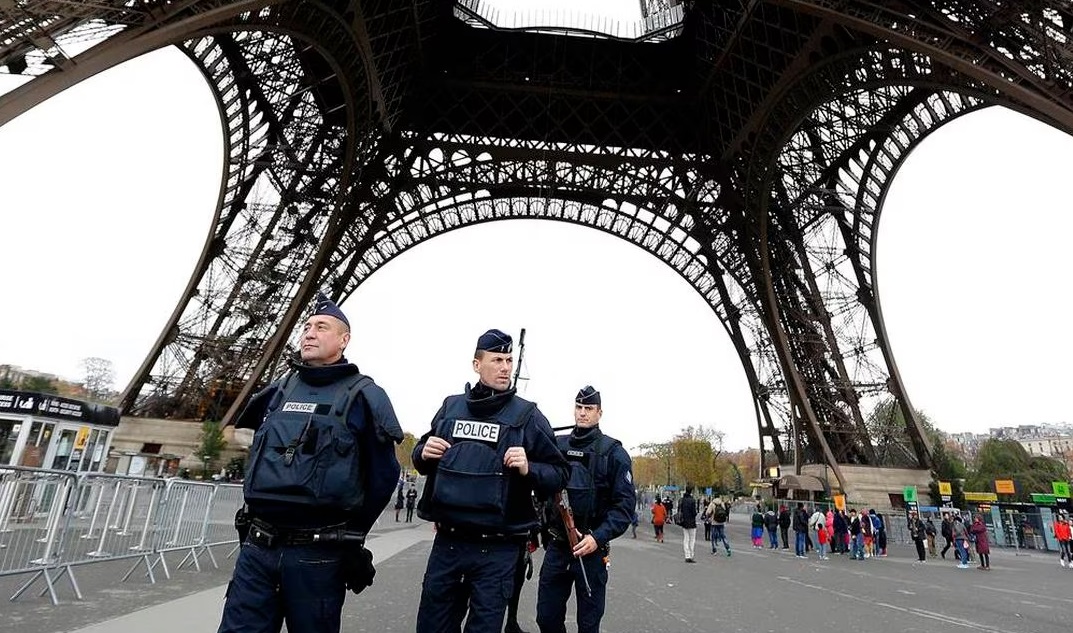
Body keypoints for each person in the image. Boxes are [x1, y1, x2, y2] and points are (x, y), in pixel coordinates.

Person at [218, 292, 403, 633]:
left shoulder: (364, 397)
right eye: (306, 327)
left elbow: (384, 475)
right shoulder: (279, 390)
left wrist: (352, 534)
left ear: (344, 340)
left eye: (321, 327)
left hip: (319, 554)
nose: (310, 333)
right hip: (258, 548)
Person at [412, 329, 569, 633]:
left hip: (498, 550)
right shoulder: (450, 408)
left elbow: (560, 474)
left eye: (509, 360)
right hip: (448, 544)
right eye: (497, 360)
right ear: (476, 364)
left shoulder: (528, 416)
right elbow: (421, 457)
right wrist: (422, 452)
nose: (505, 367)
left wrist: (530, 468)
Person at [536, 385, 635, 633]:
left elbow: (624, 508)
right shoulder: (556, 445)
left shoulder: (614, 453)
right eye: (579, 407)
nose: (582, 413)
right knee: (546, 618)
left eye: (588, 408)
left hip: (592, 549)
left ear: (599, 412)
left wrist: (597, 537)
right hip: (558, 545)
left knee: (589, 625)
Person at [678, 485, 699, 562]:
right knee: (692, 539)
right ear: (691, 491)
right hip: (692, 522)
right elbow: (694, 513)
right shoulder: (692, 500)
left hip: (684, 522)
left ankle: (687, 556)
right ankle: (691, 555)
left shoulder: (682, 500)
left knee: (686, 539)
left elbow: (679, 510)